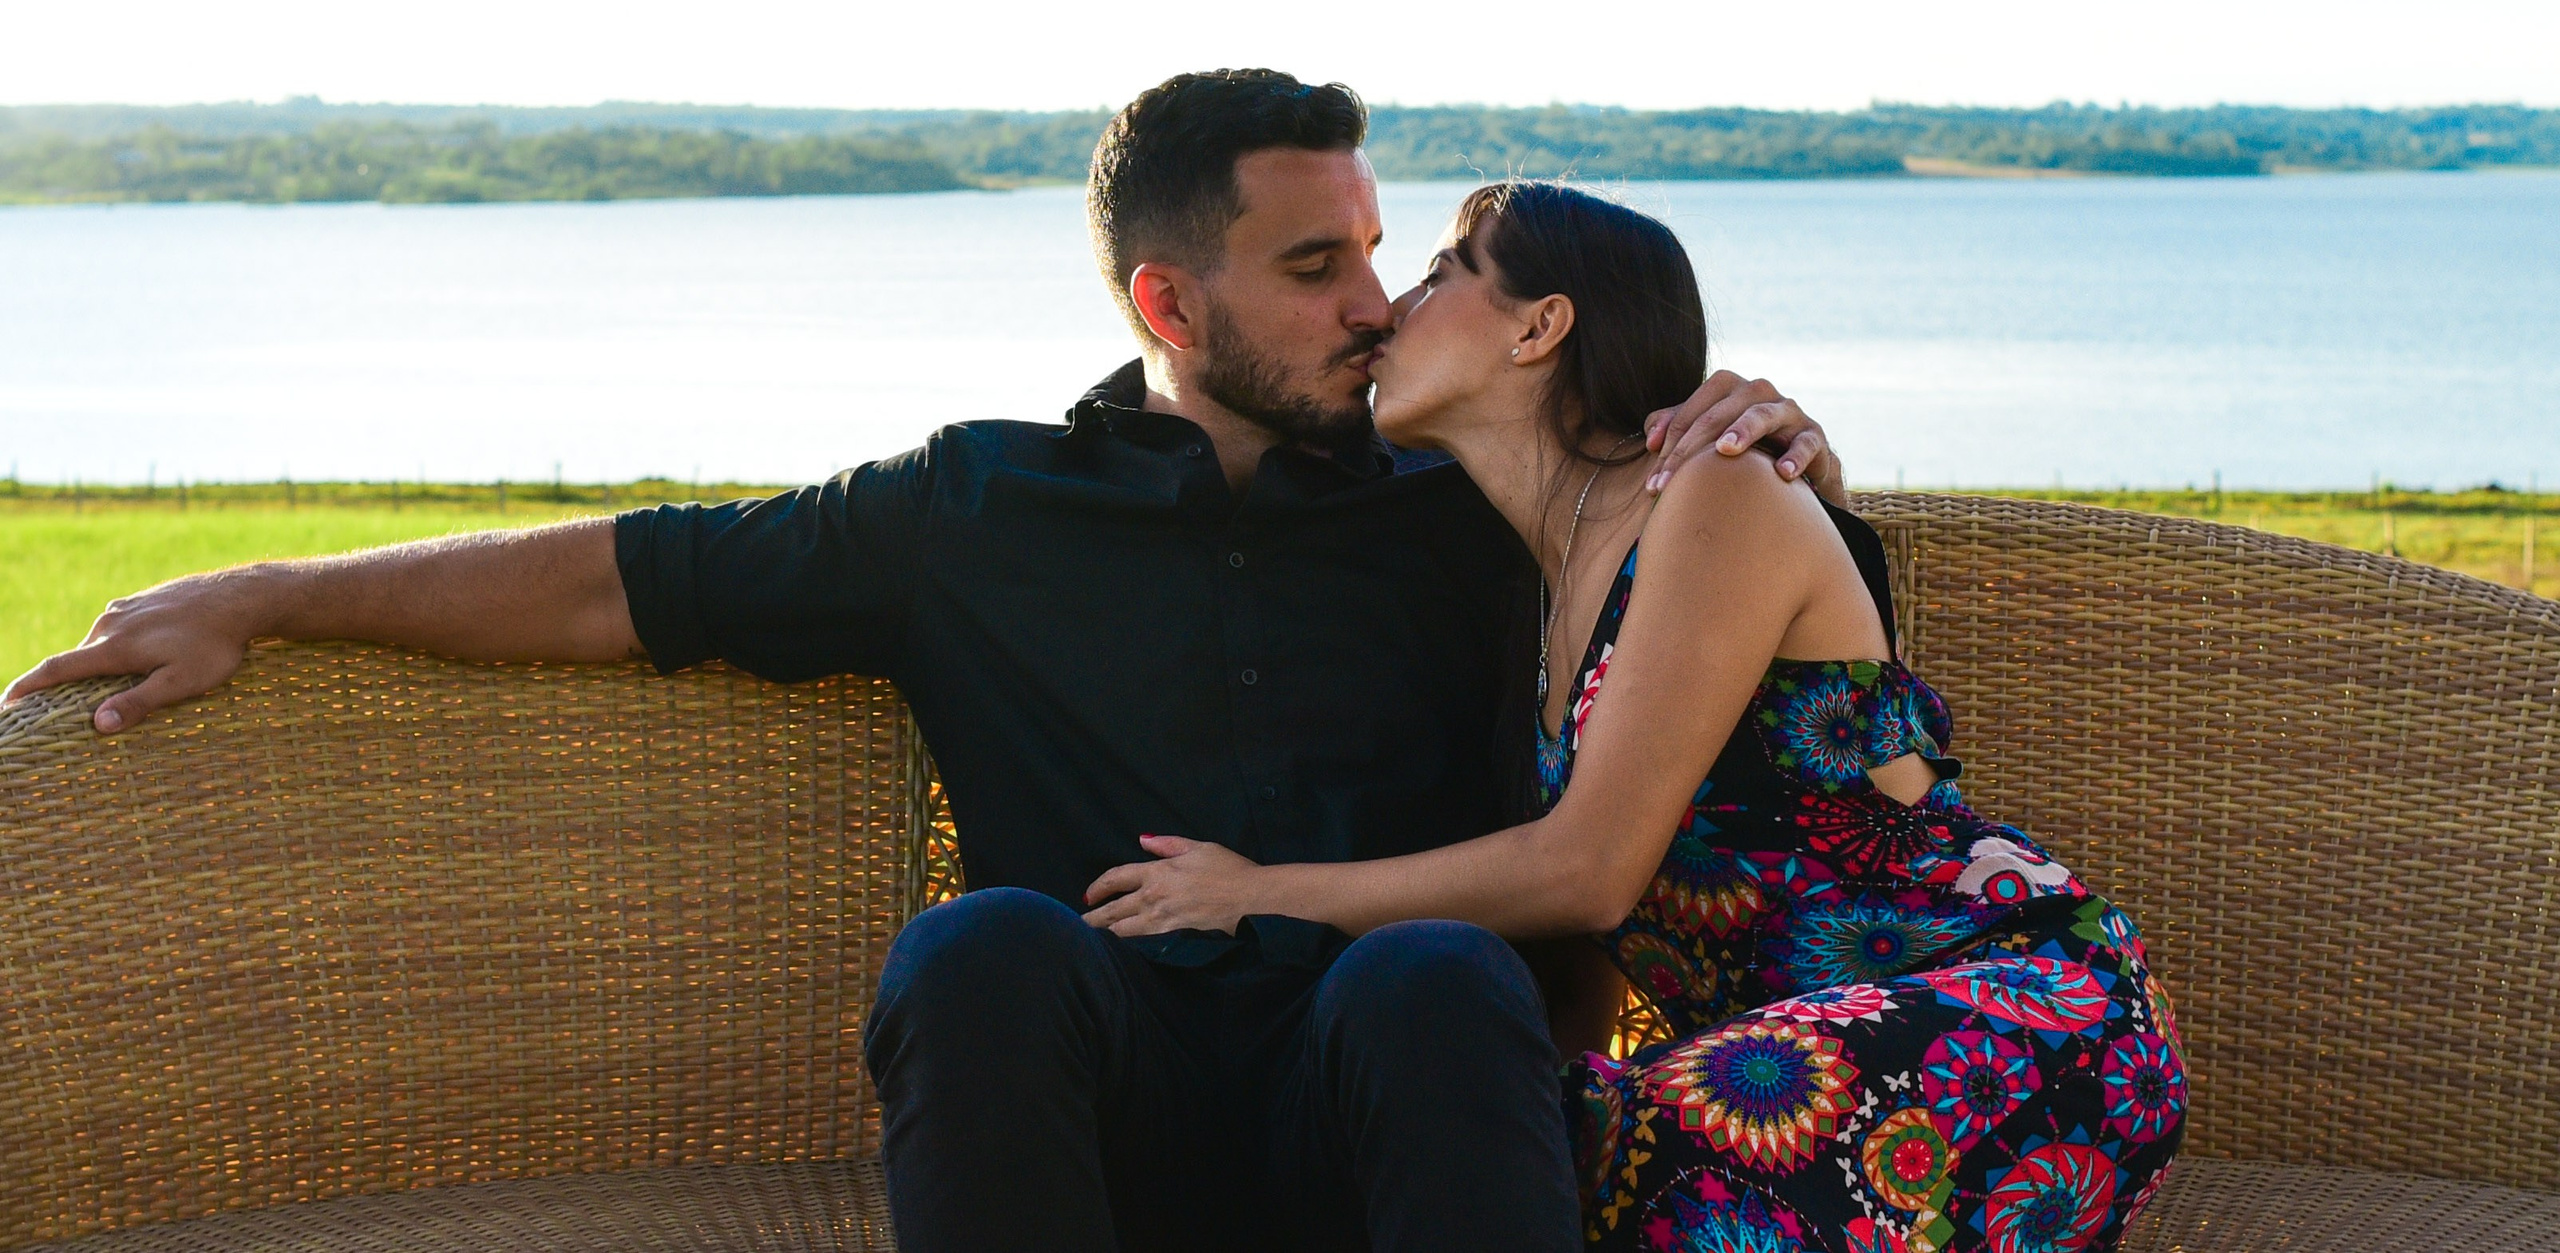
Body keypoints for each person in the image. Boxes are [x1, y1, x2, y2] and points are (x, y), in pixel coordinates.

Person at [5, 71, 1852, 1253]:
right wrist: (269, 590)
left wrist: (1774, 432)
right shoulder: (972, 504)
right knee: (980, 940)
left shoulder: (1464, 497)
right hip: (1096, 1121)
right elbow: (622, 580)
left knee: (1444, 968)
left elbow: (1671, 532)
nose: (1373, 302)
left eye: (1381, 249)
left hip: (1393, 1109)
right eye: (1317, 263)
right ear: (1166, 301)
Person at [1080, 181, 2188, 1253]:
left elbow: (1589, 869)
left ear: (1539, 327)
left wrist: (1251, 894)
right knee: (1515, 1150)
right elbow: (1590, 950)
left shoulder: (1713, 485)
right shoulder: (1535, 584)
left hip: (2010, 1005)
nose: (1389, 309)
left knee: (1682, 1150)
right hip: (1771, 1057)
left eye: (1438, 272)